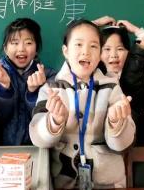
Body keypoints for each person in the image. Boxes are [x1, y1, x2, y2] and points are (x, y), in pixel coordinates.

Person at [29, 19, 135, 189]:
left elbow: (123, 144)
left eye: (93, 46)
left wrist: (117, 124)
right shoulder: (51, 88)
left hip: (108, 182)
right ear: (66, 51)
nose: (86, 51)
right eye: (78, 44)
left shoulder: (112, 88)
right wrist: (54, 121)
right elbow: (38, 138)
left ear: (100, 54)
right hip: (63, 182)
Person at [0, 18, 55, 145]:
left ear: (36, 48)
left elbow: (44, 120)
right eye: (14, 43)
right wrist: (3, 87)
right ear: (5, 48)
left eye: (28, 43)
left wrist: (33, 93)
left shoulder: (48, 76)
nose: (21, 48)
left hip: (35, 147)